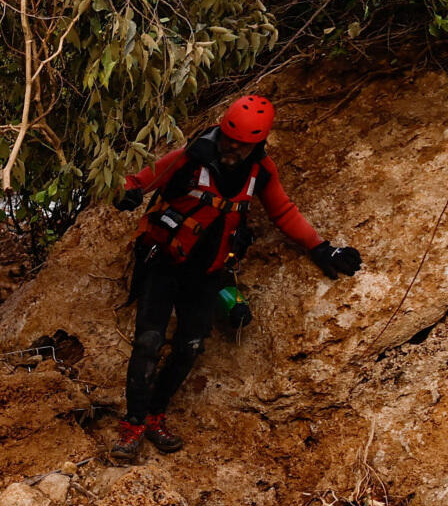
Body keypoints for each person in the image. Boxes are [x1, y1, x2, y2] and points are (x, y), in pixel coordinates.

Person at [109, 93, 362, 460]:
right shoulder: (190, 157)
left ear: (257, 144)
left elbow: (284, 212)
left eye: (241, 145)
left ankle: (154, 414)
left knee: (190, 346)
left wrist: (321, 248)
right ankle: (132, 425)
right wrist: (127, 194)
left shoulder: (261, 171)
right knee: (148, 341)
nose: (231, 148)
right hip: (163, 262)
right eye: (228, 139)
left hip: (209, 272)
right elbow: (141, 179)